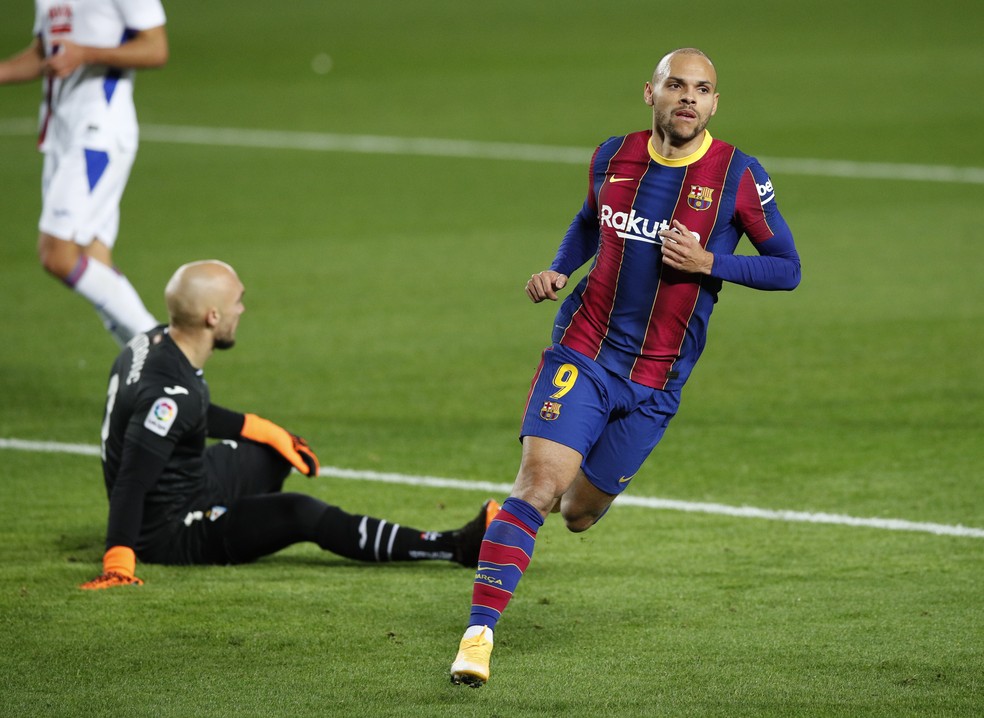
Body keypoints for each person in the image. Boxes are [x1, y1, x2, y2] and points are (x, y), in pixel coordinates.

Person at [450, 48, 801, 686]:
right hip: (585, 348)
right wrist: (561, 267)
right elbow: (589, 221)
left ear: (715, 103)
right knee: (538, 486)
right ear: (650, 92)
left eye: (702, 89)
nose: (688, 97)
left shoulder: (738, 175)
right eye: (676, 85)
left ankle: (506, 532)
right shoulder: (613, 156)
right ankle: (478, 637)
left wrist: (711, 263)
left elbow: (788, 268)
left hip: (657, 379)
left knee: (577, 512)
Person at [80, 260, 499, 589]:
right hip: (170, 529)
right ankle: (454, 546)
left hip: (190, 481)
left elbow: (191, 412)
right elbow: (132, 480)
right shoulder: (171, 399)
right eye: (237, 302)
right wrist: (119, 561)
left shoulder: (150, 343)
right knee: (300, 512)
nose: (242, 309)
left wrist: (264, 430)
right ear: (212, 316)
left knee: (271, 455)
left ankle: (237, 516)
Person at [0, 1, 169, 346]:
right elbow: (43, 53)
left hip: (99, 130)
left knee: (57, 255)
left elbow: (156, 48)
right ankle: (143, 367)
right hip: (60, 136)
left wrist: (87, 54)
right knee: (95, 263)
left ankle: (163, 351)